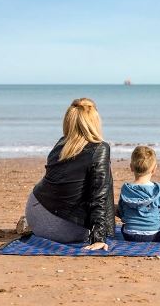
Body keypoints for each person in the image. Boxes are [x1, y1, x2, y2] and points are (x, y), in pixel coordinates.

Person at [24, 98, 115, 251]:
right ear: (95, 122)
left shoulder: (60, 144)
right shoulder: (100, 148)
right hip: (61, 229)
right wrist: (98, 237)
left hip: (34, 212)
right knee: (103, 182)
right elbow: (99, 195)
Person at [116, 146, 160, 242]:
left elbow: (122, 212)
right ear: (154, 169)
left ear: (131, 167)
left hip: (129, 235)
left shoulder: (126, 189)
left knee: (124, 221)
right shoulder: (159, 190)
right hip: (155, 235)